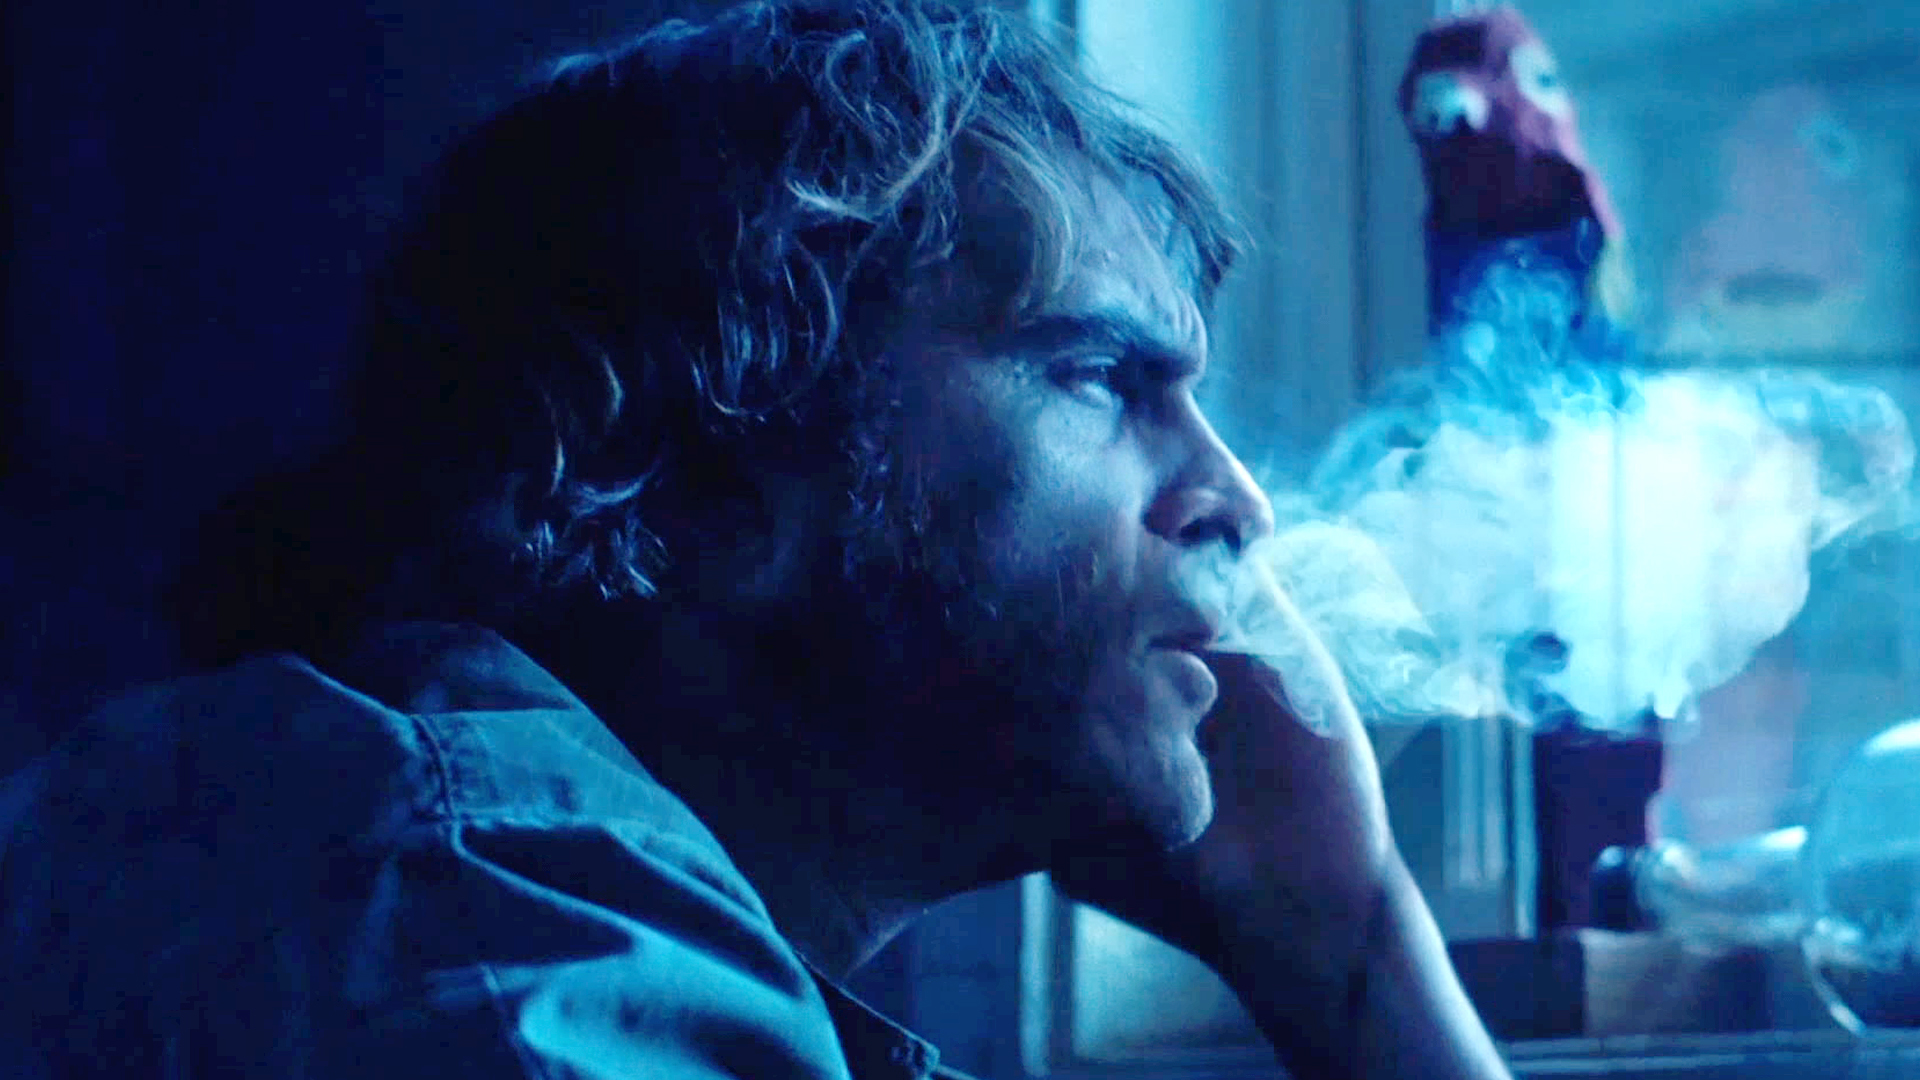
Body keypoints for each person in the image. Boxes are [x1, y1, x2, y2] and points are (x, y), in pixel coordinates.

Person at [0, 2, 1509, 1077]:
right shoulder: (515, 963)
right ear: (711, 475)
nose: (1238, 499)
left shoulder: (479, 888)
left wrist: (1347, 939)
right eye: (1103, 377)